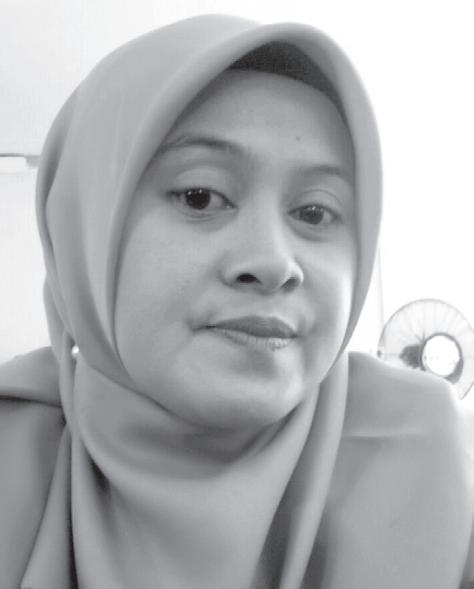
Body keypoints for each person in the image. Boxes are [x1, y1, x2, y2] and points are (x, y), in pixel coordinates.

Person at [0, 14, 472, 589]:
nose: (274, 263)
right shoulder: (13, 445)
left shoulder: (434, 457)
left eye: (315, 212)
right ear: (84, 232)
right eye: (201, 196)